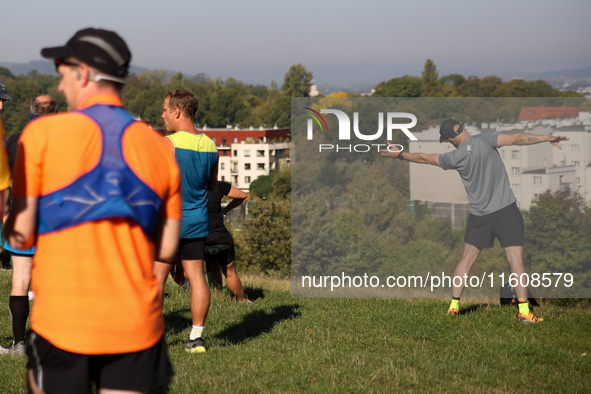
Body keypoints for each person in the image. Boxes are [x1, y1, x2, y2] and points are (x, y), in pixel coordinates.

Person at [4, 28, 181, 393]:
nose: (61, 80)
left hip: (62, 322)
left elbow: (19, 231)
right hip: (136, 324)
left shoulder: (41, 136)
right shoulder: (160, 148)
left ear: (83, 74)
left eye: (62, 69)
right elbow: (165, 249)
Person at [381, 119, 568, 323]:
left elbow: (425, 158)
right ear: (461, 125)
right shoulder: (486, 140)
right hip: (506, 212)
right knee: (516, 262)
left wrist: (399, 154)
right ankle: (524, 312)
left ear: (450, 139)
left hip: (480, 217)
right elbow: (517, 139)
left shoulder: (454, 157)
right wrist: (548, 138)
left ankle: (453, 308)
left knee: (466, 261)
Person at [154, 90, 218, 353]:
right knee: (197, 277)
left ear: (177, 112)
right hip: (197, 221)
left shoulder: (168, 144)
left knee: (156, 279)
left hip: (169, 223)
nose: (163, 115)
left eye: (166, 110)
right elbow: (212, 185)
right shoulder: (211, 145)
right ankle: (197, 337)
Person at [1, 95, 59, 356]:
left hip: (23, 216)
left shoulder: (15, 141)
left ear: (31, 112)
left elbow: (6, 181)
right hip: (57, 219)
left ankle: (20, 344)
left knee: (21, 279)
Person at [204, 181, 252, 303]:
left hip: (197, 237)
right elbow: (242, 195)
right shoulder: (218, 185)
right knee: (230, 272)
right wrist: (225, 209)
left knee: (211, 264)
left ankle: (217, 295)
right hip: (219, 236)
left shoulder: (187, 187)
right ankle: (242, 300)